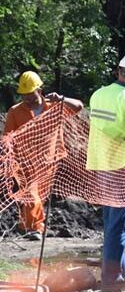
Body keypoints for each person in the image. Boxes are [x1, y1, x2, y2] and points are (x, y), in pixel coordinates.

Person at [85, 52, 125, 291]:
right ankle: (112, 277)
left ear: (120, 71)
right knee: (122, 224)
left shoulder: (99, 94)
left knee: (112, 222)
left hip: (102, 164)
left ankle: (119, 272)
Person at [4, 71, 84, 240]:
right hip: (25, 162)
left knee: (38, 195)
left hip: (49, 160)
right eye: (24, 95)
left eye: (30, 94)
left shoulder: (54, 107)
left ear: (40, 90)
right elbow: (8, 138)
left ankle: (24, 224)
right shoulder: (15, 112)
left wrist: (61, 99)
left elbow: (78, 107)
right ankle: (36, 229)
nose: (27, 98)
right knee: (31, 193)